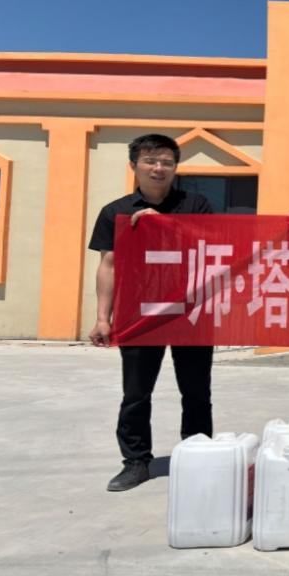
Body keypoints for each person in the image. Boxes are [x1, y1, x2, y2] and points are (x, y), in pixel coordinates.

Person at [89, 134, 214, 492]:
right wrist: (103, 318)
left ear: (175, 167)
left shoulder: (197, 205)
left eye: (166, 162)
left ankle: (198, 455)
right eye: (150, 161)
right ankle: (135, 461)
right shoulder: (115, 211)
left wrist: (163, 225)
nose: (158, 168)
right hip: (140, 314)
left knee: (196, 391)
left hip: (190, 314)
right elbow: (109, 265)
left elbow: (213, 247)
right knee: (136, 393)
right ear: (134, 166)